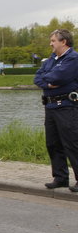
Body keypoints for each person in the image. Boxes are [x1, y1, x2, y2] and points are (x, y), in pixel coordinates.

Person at [34, 29, 78, 193]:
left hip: (67, 106)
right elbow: (38, 77)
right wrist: (48, 81)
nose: (51, 43)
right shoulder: (51, 59)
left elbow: (57, 77)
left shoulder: (73, 59)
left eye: (53, 41)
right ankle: (60, 177)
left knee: (72, 143)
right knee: (53, 143)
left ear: (63, 42)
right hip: (50, 106)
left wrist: (49, 79)